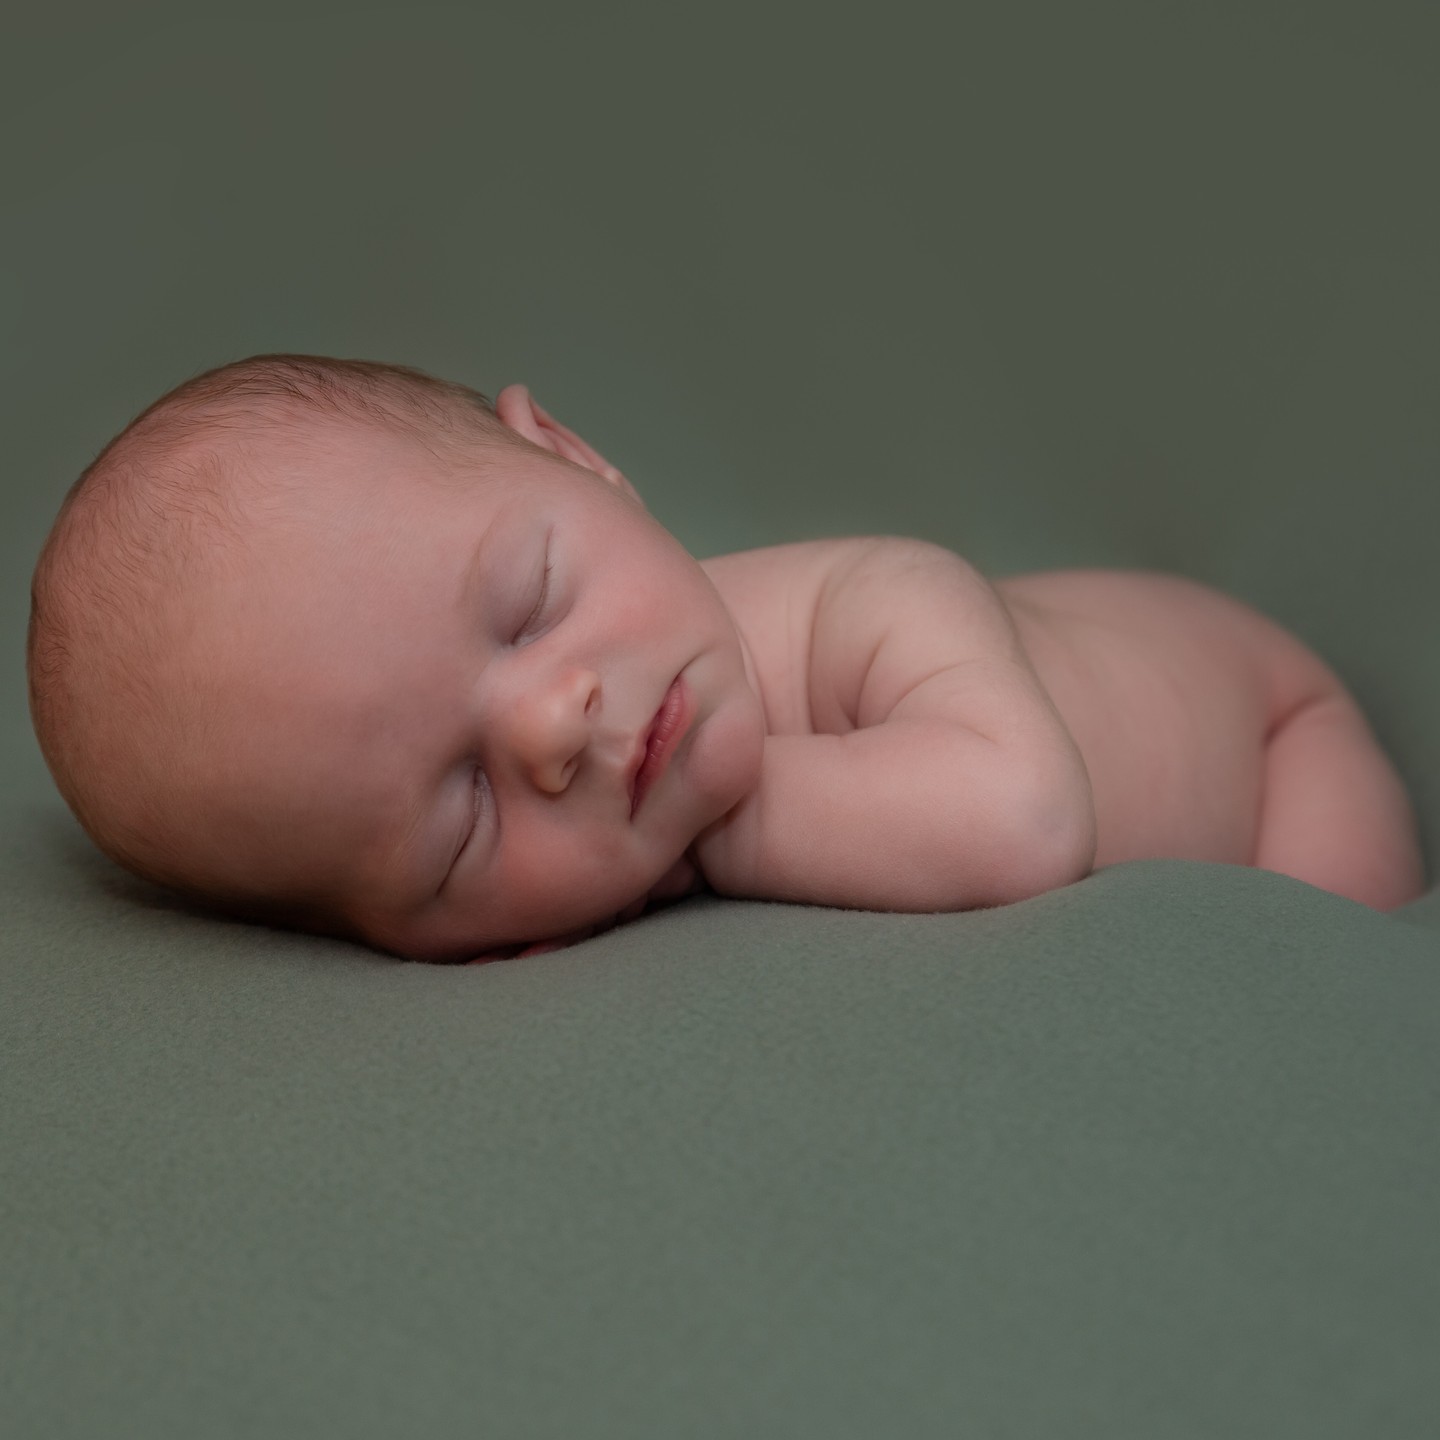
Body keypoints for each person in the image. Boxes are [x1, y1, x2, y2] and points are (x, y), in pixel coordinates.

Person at [27, 355, 1427, 963]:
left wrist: (715, 838)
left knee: (1305, 958)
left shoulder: (873, 599)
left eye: (529, 604)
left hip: (1273, 737)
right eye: (461, 821)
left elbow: (1027, 821)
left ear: (574, 456)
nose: (550, 729)